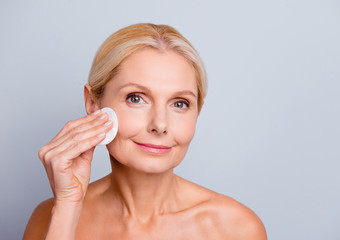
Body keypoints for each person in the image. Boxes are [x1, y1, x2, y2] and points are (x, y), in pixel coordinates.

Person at [23, 23, 267, 240]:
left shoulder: (236, 228)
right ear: (93, 103)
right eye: (136, 98)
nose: (159, 125)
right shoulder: (50, 218)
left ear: (197, 113)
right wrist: (68, 208)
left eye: (180, 103)